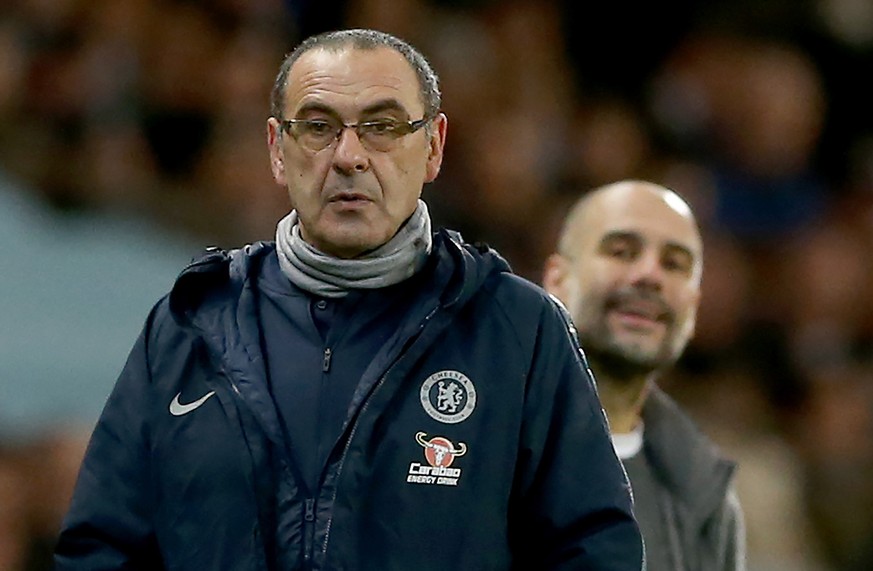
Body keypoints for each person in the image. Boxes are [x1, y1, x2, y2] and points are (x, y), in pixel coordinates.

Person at [54, 29, 643, 570]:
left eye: (382, 126)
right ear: (277, 149)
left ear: (434, 146)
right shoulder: (189, 324)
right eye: (317, 126)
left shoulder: (518, 329)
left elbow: (593, 550)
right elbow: (102, 547)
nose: (349, 156)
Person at [542, 179, 746, 571]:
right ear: (557, 280)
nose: (650, 275)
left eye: (675, 264)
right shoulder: (477, 444)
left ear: (693, 304)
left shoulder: (705, 492)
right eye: (622, 251)